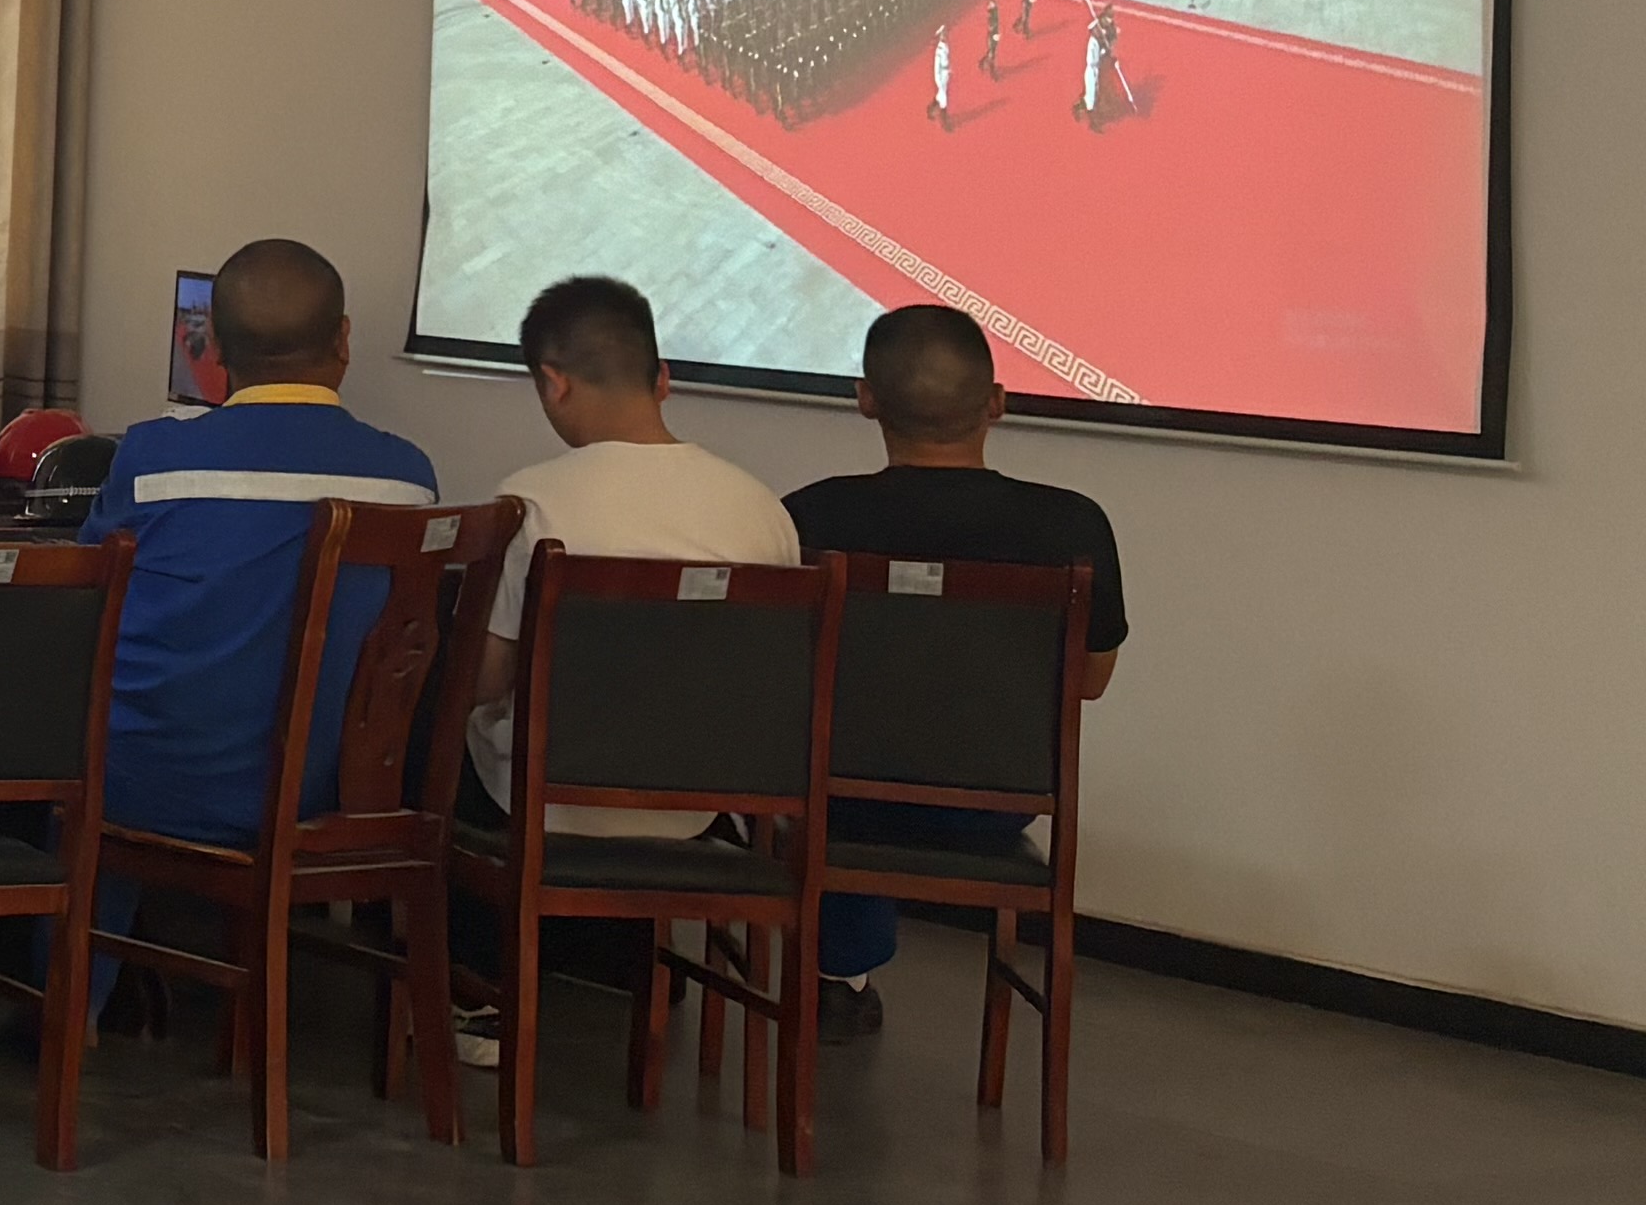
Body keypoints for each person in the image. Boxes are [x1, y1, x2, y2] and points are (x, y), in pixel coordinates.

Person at [453, 272, 802, 1061]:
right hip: (698, 810)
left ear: (554, 382)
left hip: (545, 806)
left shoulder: (532, 502)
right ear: (662, 378)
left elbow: (487, 681)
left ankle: (478, 997)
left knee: (443, 734)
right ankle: (625, 963)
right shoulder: (763, 511)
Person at [787, 299, 1124, 1030]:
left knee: (827, 771)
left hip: (839, 801)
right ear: (997, 403)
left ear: (865, 399)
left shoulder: (808, 518)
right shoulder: (1072, 526)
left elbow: (780, 675)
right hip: (992, 809)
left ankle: (833, 975)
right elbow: (1090, 682)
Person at [78, 238, 440, 842]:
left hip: (149, 792)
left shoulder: (151, 459)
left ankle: (84, 906)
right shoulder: (409, 479)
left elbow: (84, 596)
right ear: (343, 339)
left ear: (215, 346)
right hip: (334, 799)